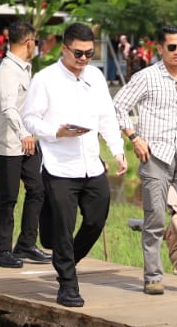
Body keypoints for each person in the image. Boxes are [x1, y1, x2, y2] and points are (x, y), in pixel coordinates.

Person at [22, 22, 128, 308]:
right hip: (60, 167)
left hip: (92, 166)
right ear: (64, 49)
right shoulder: (45, 79)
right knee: (63, 228)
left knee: (96, 219)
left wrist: (117, 150)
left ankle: (64, 258)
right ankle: (68, 284)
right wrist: (56, 131)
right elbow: (29, 119)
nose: (83, 59)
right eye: (78, 53)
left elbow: (106, 117)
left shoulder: (95, 77)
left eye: (89, 53)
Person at [112, 24, 177, 297]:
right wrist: (134, 137)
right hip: (154, 154)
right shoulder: (146, 77)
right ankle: (152, 277)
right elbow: (117, 106)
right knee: (155, 218)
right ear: (159, 48)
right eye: (171, 47)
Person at [0, 21, 50, 269]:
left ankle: (25, 244)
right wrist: (24, 133)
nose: (36, 45)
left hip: (27, 141)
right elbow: (8, 107)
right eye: (35, 40)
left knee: (38, 189)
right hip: (7, 145)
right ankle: (3, 251)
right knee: (8, 197)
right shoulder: (8, 70)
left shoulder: (25, 68)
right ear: (28, 42)